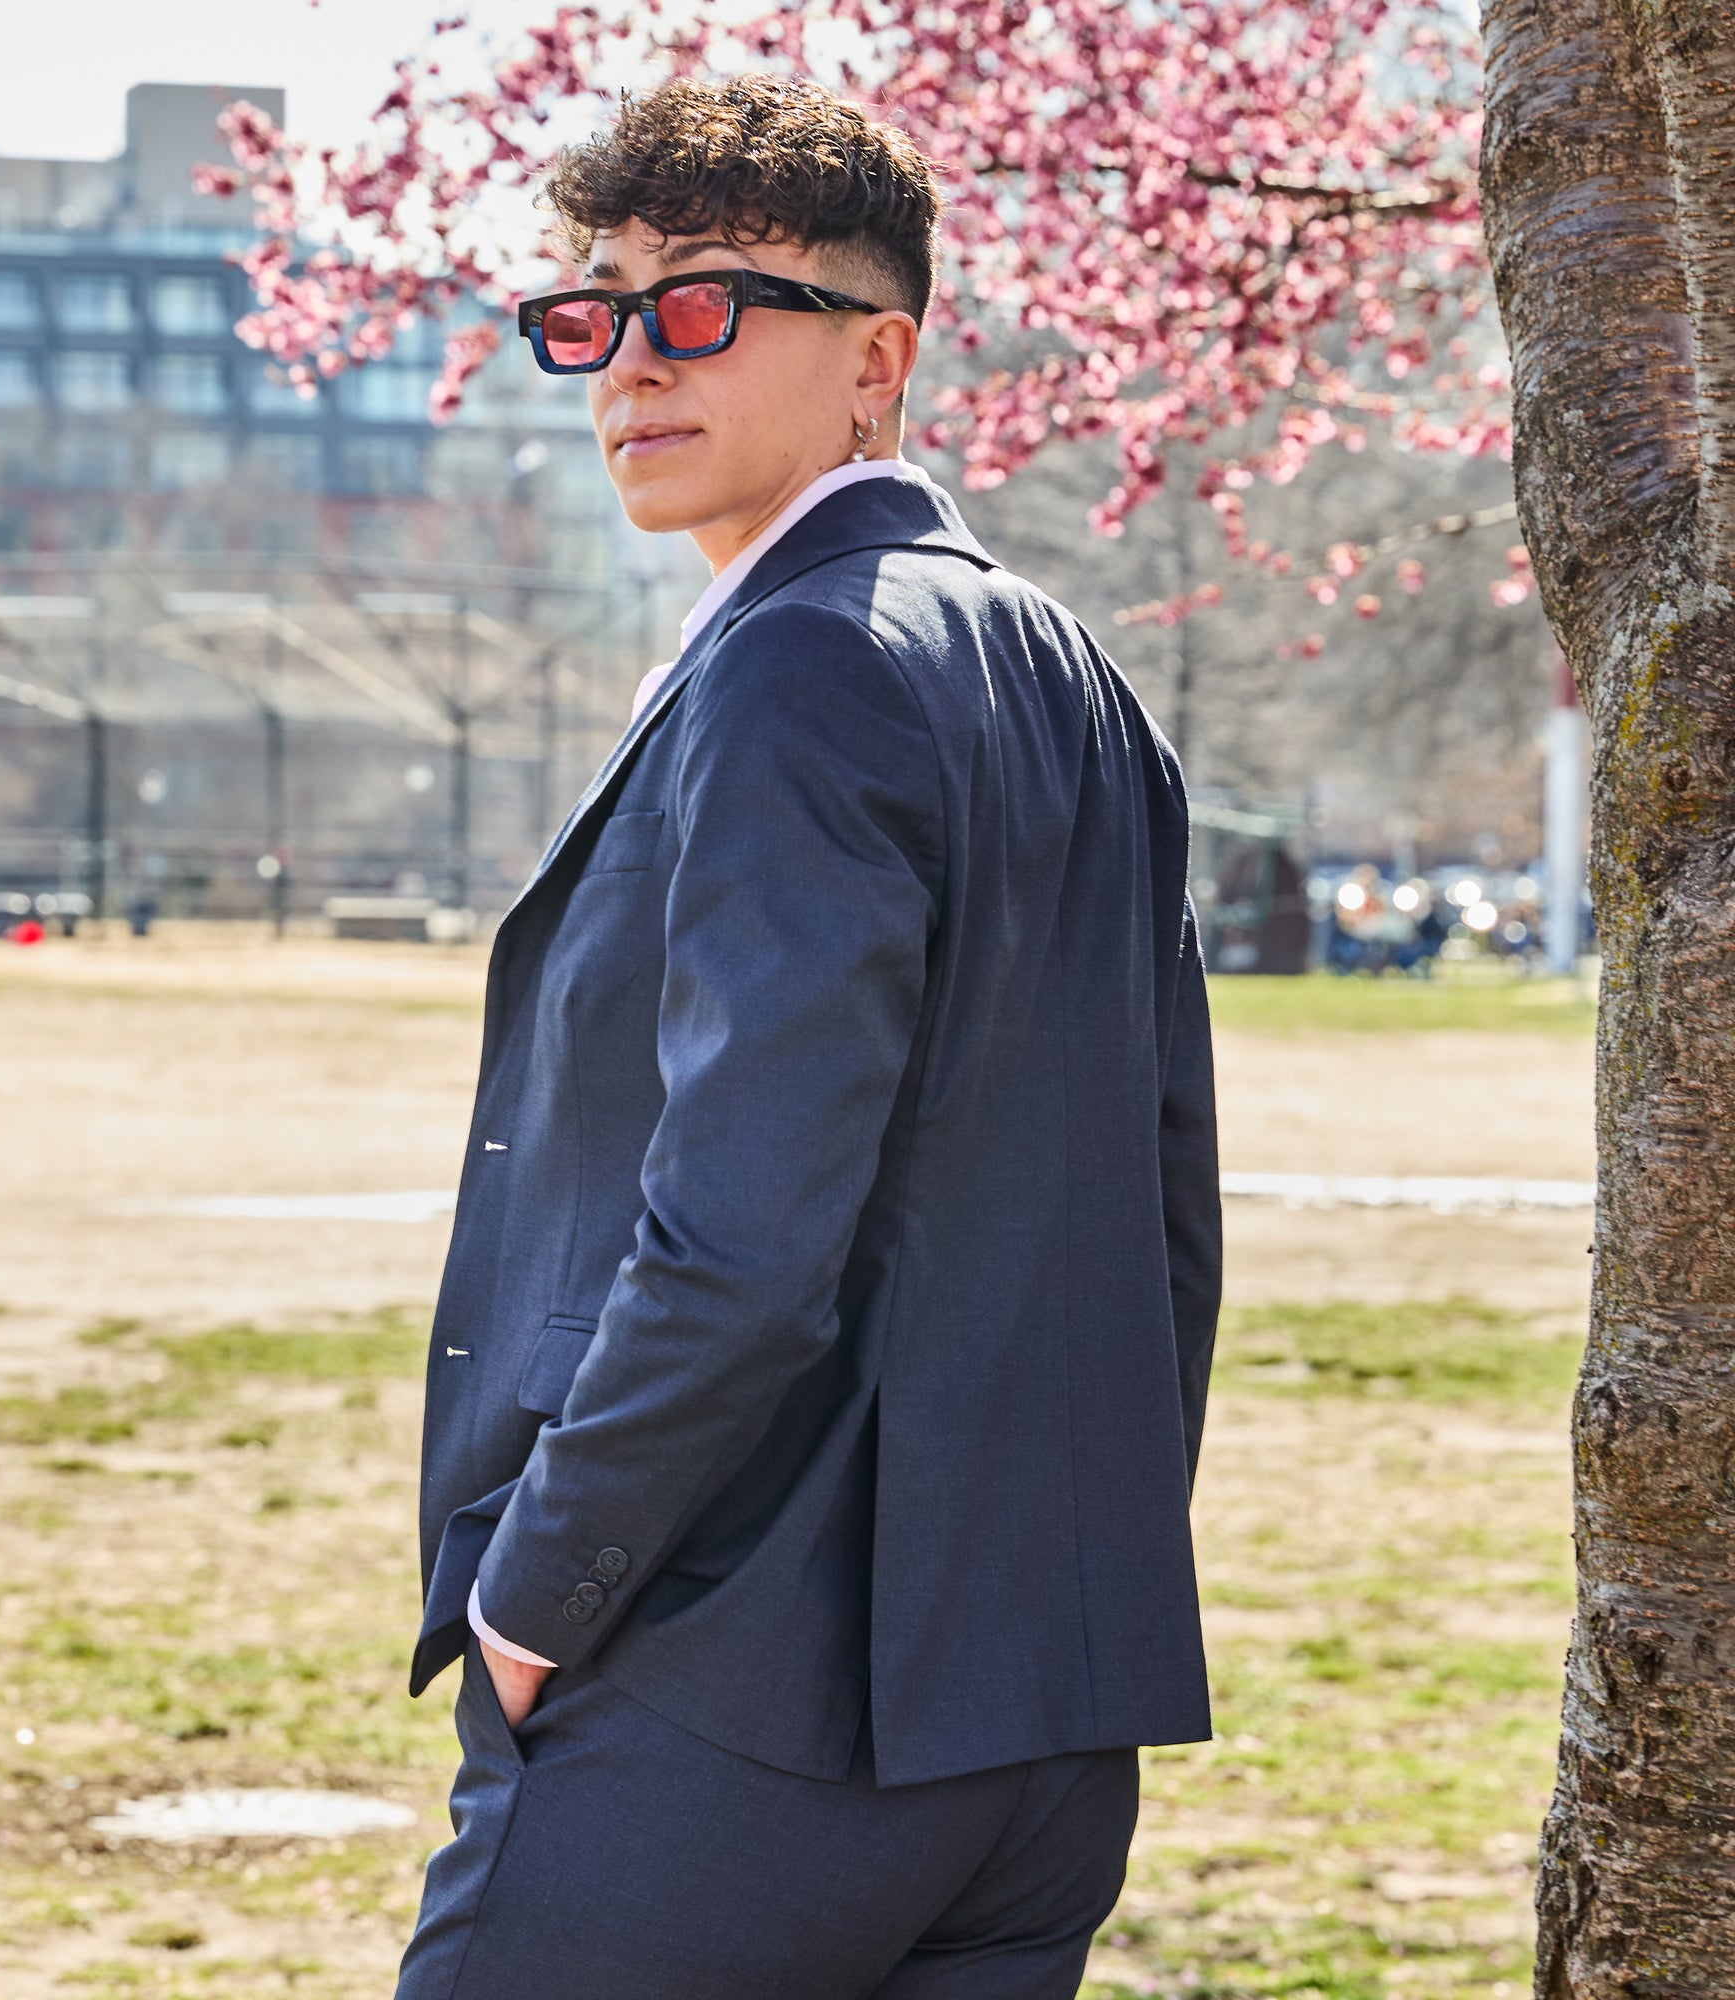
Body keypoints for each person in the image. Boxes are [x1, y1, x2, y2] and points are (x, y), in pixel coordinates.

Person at [397, 73, 1220, 2000]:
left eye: (701, 304)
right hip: (1029, 1725)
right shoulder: (1069, 674)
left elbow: (742, 1238)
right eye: (588, 312)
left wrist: (540, 1593)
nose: (627, 363)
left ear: (881, 359)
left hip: (737, 1710)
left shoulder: (801, 664)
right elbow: (1163, 1231)